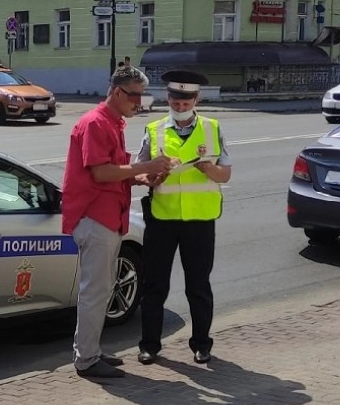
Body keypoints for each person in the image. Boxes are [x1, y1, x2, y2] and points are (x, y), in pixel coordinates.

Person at [62, 65, 178, 379]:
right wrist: (144, 166)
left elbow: (113, 172)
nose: (139, 103)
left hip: (108, 217)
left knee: (102, 289)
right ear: (117, 92)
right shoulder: (97, 123)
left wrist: (142, 177)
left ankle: (90, 350)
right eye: (135, 96)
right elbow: (101, 172)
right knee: (95, 291)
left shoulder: (113, 123)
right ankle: (86, 359)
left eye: (142, 95)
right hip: (95, 218)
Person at [136, 70, 231, 366]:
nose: (180, 106)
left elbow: (225, 173)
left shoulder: (212, 128)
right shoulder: (154, 130)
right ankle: (150, 345)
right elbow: (138, 171)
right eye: (176, 100)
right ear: (168, 98)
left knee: (198, 286)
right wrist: (152, 176)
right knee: (154, 285)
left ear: (197, 99)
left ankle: (202, 345)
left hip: (200, 220)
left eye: (186, 100)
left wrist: (209, 169)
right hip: (162, 219)